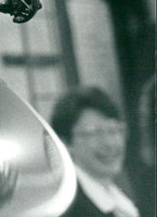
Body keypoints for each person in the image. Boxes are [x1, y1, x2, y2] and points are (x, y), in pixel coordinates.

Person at [50, 85, 140, 217]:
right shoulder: (66, 208)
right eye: (94, 132)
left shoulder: (123, 193)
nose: (109, 143)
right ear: (65, 143)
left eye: (114, 130)